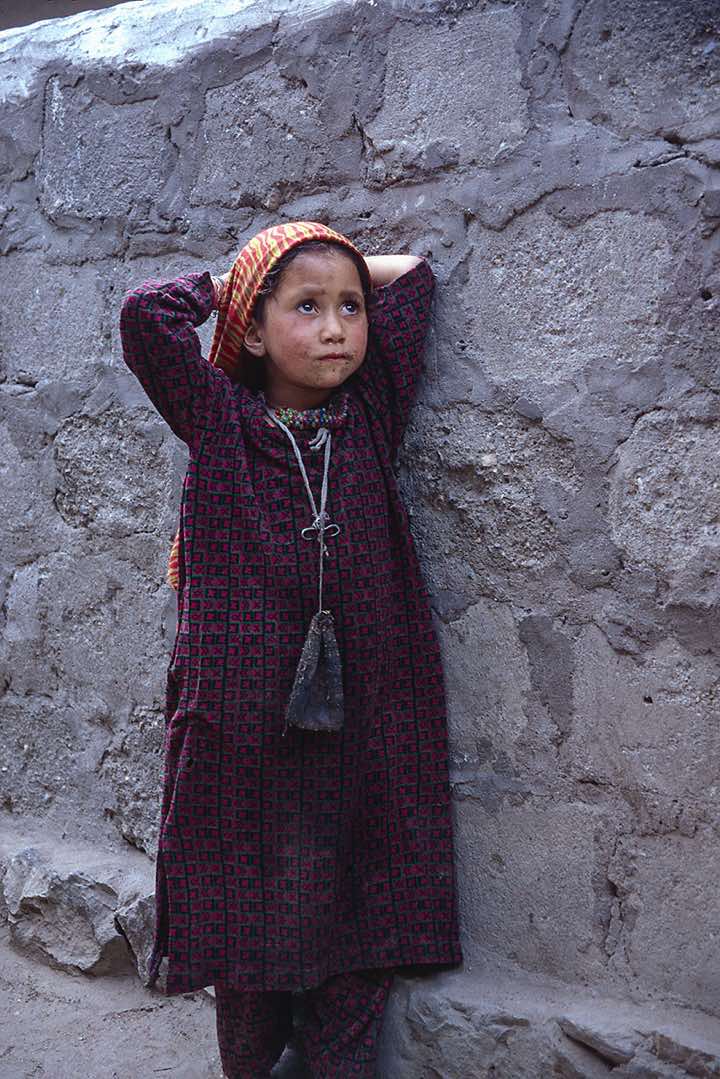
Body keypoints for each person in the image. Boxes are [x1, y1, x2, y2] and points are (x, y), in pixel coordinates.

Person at [119, 221, 462, 1078]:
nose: (340, 327)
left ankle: (338, 1059)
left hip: (366, 718)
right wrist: (240, 272)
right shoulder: (220, 417)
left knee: (360, 884)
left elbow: (413, 278)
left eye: (350, 306)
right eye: (306, 307)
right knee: (246, 899)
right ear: (256, 325)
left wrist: (315, 253)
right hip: (244, 729)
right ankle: (251, 1060)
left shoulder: (374, 405)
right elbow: (145, 317)